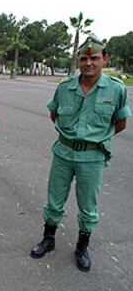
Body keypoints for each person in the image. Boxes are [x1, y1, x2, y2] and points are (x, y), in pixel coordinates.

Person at [30, 35, 131, 272]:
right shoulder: (65, 88)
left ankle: (82, 247)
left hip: (93, 157)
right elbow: (54, 114)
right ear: (79, 59)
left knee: (88, 206)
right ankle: (48, 239)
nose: (89, 63)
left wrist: (94, 139)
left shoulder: (116, 90)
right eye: (84, 58)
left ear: (104, 59)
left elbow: (120, 123)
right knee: (54, 200)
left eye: (94, 58)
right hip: (63, 153)